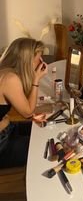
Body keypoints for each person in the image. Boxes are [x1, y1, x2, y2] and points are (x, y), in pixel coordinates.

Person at [0, 38, 48, 168]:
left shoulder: (5, 70)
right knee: (45, 148)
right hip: (2, 143)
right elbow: (28, 112)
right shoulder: (10, 79)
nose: (41, 62)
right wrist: (36, 79)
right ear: (27, 60)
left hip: (8, 128)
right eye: (39, 58)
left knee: (46, 130)